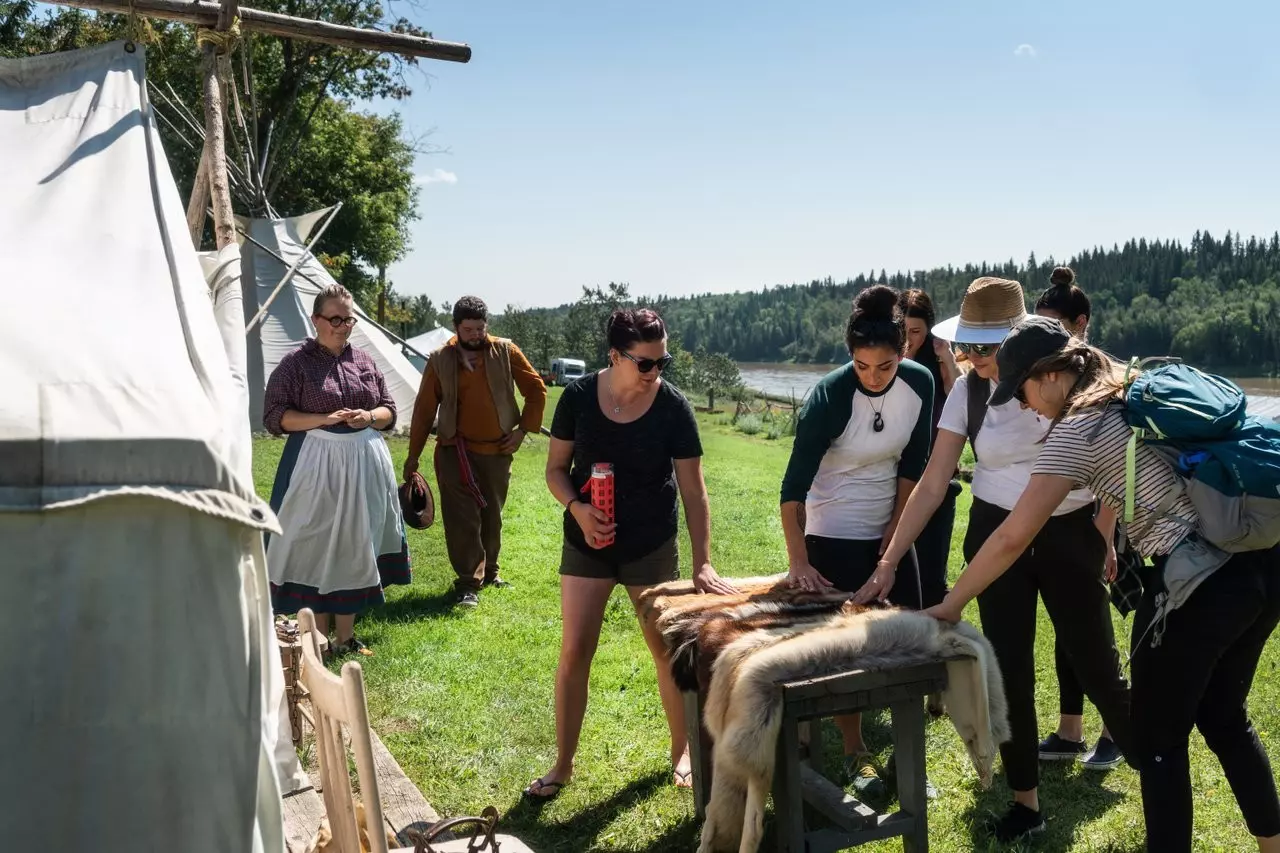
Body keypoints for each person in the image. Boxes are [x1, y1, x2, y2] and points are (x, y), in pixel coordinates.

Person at [926, 314, 1280, 853]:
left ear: (1048, 376)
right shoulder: (1132, 384)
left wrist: (950, 604)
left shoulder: (1075, 431)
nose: (1023, 407)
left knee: (1159, 743)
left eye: (1020, 393)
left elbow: (1010, 538)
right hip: (1261, 560)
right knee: (1223, 715)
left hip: (1196, 582)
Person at [865, 277, 1133, 843]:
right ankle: (1025, 802)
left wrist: (1104, 534)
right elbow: (935, 480)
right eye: (969, 348)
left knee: (1096, 665)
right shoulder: (967, 392)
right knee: (1007, 669)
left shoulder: (1066, 382)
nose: (977, 359)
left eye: (987, 349)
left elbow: (1111, 462)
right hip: (994, 536)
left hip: (1068, 533)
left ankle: (1156, 769)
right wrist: (890, 558)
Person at [523, 308, 734, 800]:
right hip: (588, 544)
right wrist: (577, 508)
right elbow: (556, 469)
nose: (656, 372)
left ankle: (681, 752)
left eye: (664, 362)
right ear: (614, 356)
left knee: (666, 653)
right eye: (645, 364)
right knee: (575, 650)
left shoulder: (672, 407)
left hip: (651, 546)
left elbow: (694, 491)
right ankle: (562, 765)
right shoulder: (577, 397)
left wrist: (703, 561)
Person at [779, 285, 934, 799]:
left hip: (893, 524)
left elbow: (913, 469)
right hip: (833, 528)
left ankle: (907, 760)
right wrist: (799, 560)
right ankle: (854, 750)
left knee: (908, 645)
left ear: (903, 353)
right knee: (847, 654)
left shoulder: (921, 384)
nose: (874, 377)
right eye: (863, 367)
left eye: (885, 367)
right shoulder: (828, 395)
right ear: (850, 356)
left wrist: (891, 546)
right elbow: (792, 488)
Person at [264, 284, 409, 656]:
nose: (343, 326)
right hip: (315, 462)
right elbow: (275, 417)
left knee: (354, 541)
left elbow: (389, 409)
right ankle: (316, 636)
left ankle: (346, 637)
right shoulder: (295, 364)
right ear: (316, 320)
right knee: (313, 539)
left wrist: (369, 416)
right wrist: (324, 417)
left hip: (364, 461)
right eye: (335, 319)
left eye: (348, 319)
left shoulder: (363, 361)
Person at [1033, 266, 1123, 771]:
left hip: (1102, 515)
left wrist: (1105, 536)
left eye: (1057, 327)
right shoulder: (1055, 378)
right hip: (1066, 516)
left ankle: (1113, 731)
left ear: (1081, 323)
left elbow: (1115, 470)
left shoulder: (1104, 374)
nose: (1050, 339)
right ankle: (1070, 730)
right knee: (1067, 629)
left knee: (1094, 630)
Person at [404, 296, 547, 608]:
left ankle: (490, 572)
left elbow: (536, 390)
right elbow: (424, 411)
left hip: (497, 452)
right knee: (462, 519)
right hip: (454, 452)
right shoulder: (440, 358)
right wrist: (413, 457)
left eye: (480, 328)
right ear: (456, 327)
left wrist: (522, 431)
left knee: (491, 516)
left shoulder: (506, 351)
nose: (475, 334)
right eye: (468, 329)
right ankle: (468, 582)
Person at [899, 289, 962, 614]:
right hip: (894, 482)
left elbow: (962, 398)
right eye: (903, 331)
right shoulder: (883, 364)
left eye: (916, 332)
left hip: (937, 483)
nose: (908, 341)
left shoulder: (939, 366)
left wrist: (946, 357)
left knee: (932, 577)